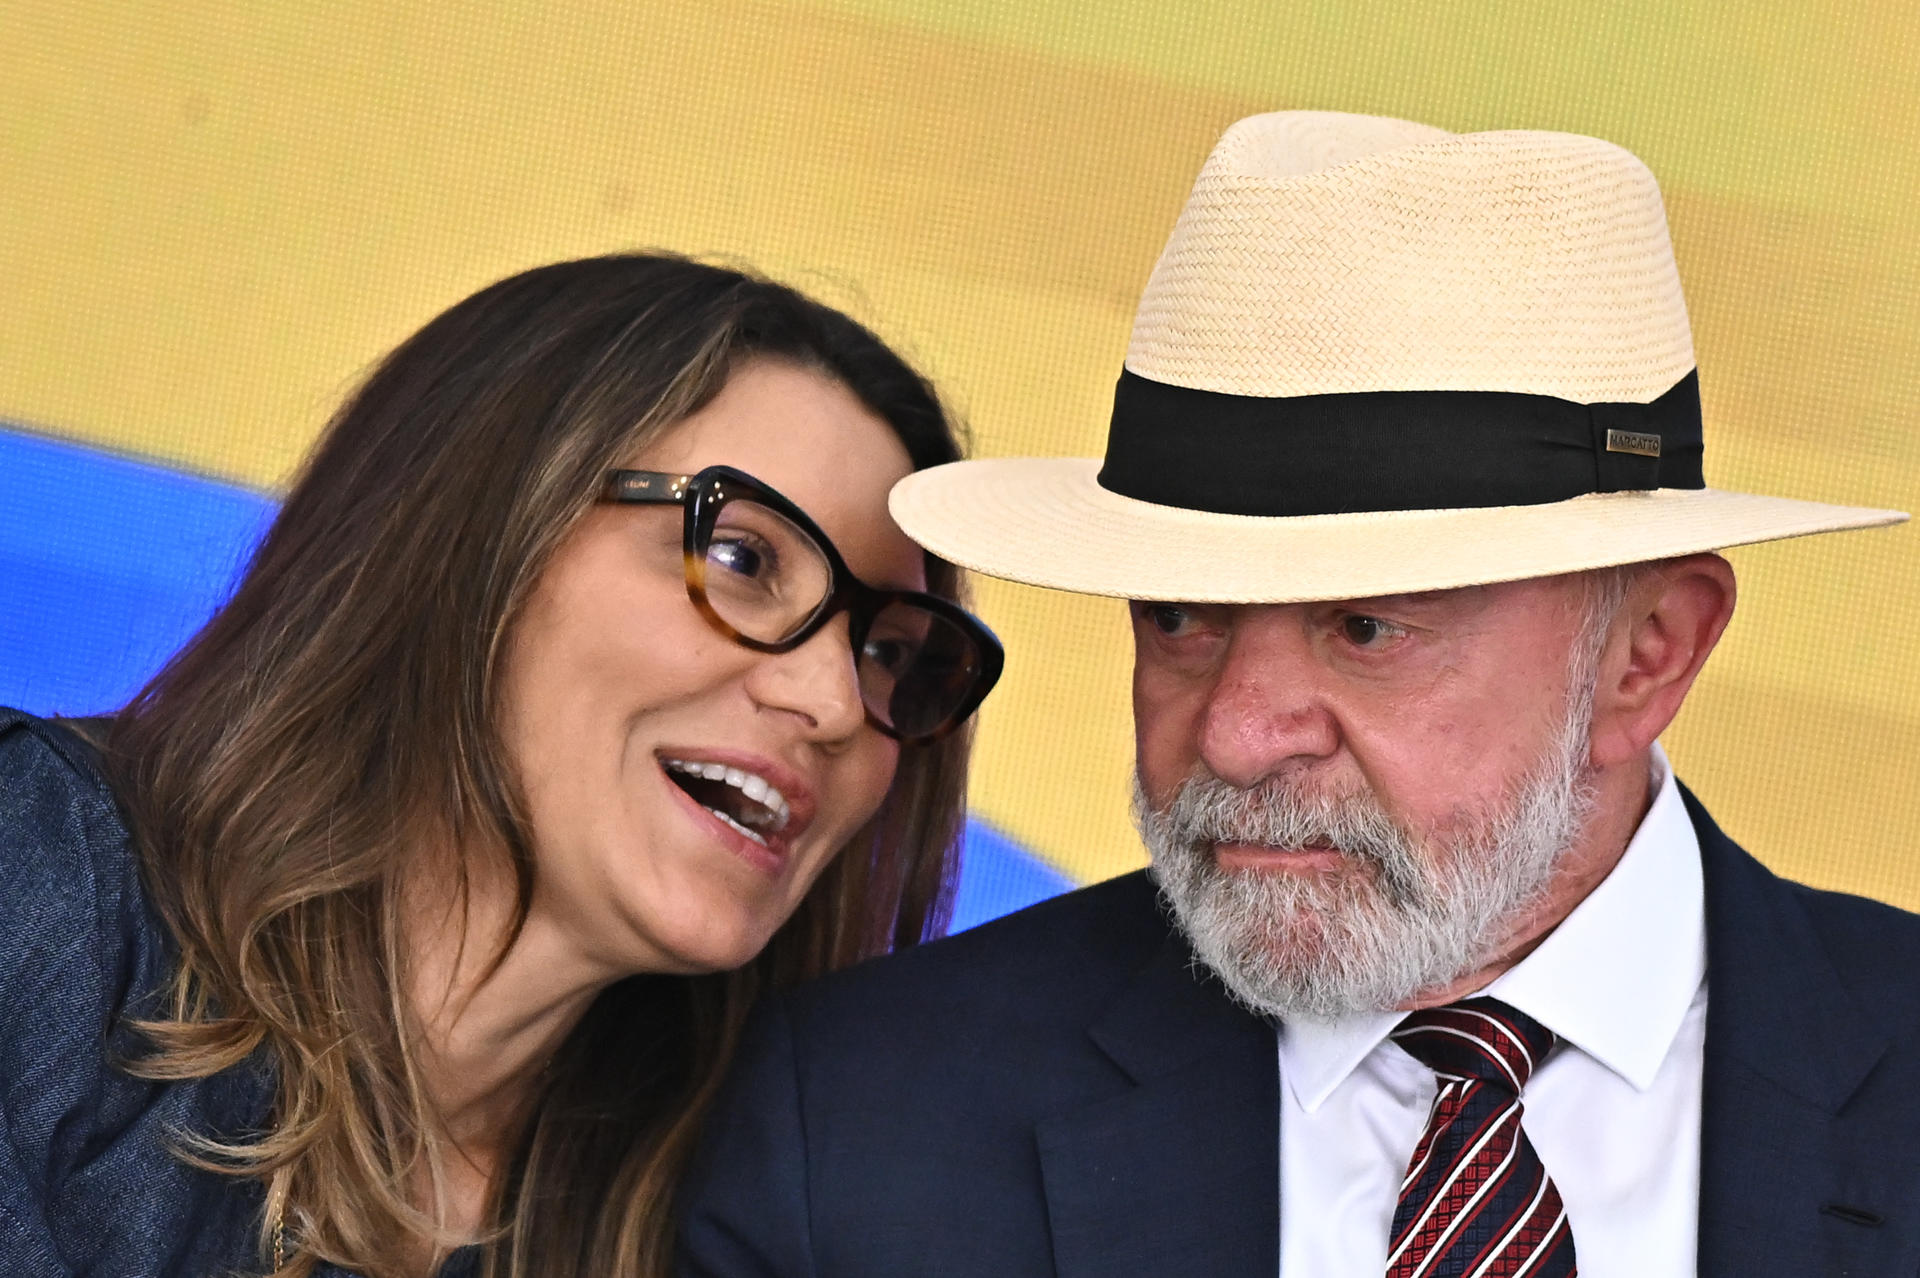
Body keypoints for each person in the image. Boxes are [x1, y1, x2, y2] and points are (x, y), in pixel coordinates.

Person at [676, 112, 1917, 1278]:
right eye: (1179, 618)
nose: (1234, 735)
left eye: (1367, 628)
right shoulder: (858, 1124)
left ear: (1647, 653)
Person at [0, 253, 1002, 1278]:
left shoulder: (727, 1233)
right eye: (742, 558)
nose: (834, 704)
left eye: (891, 654)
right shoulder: (38, 866)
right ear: (477, 528)